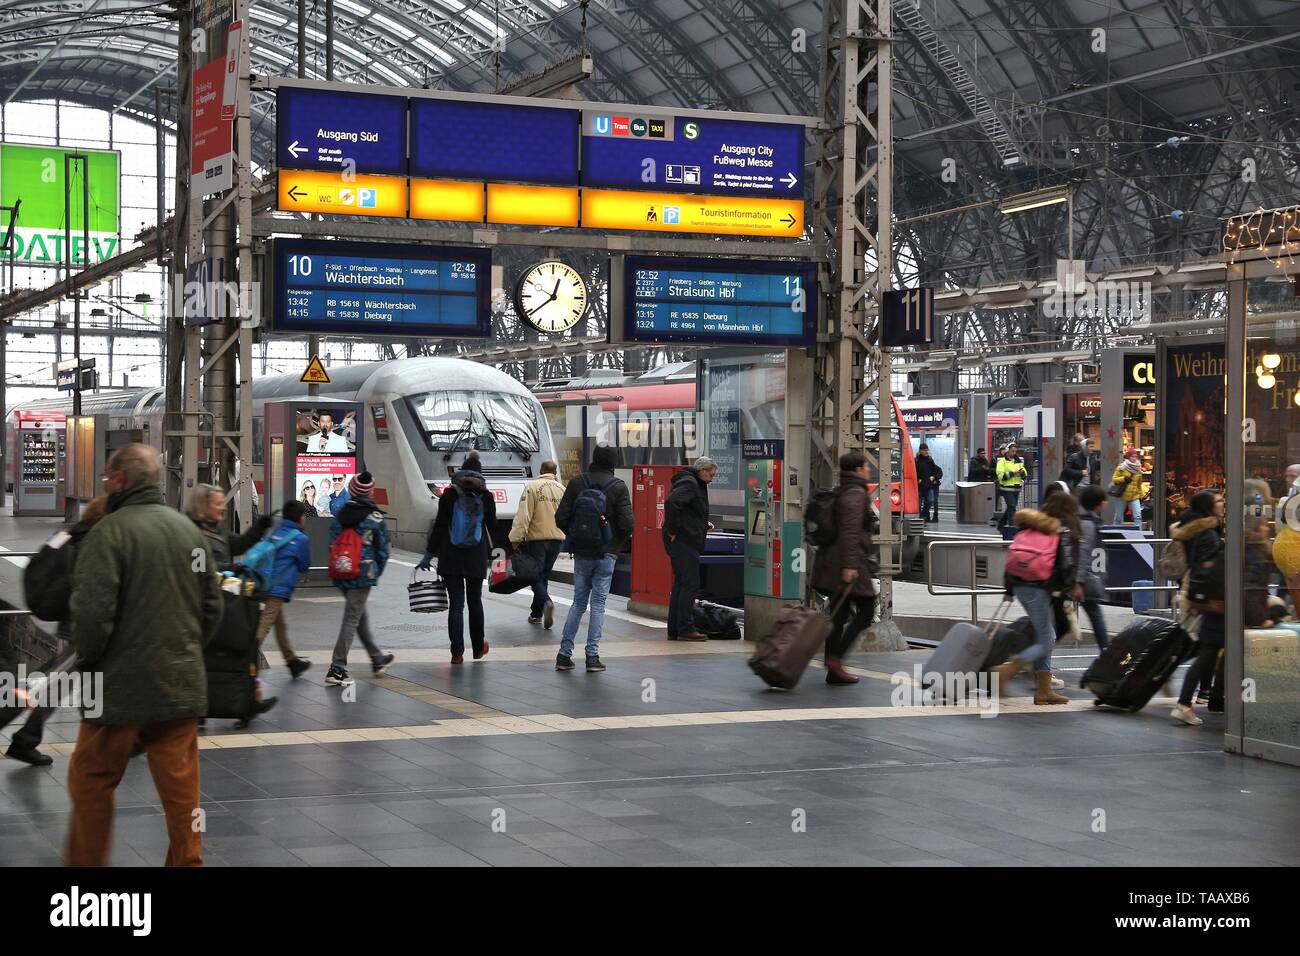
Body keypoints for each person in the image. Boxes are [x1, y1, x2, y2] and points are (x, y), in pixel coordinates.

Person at [64, 444, 223, 866]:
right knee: (182, 795)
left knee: (91, 780)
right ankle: (188, 862)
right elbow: (213, 607)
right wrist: (186, 649)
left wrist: (88, 661)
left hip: (118, 691)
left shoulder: (109, 533)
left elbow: (93, 615)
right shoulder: (190, 532)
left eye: (106, 478)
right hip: (179, 686)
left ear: (119, 479)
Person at [3, 498, 110, 768]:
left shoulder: (71, 534)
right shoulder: (94, 542)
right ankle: (25, 738)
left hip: (72, 617)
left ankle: (26, 739)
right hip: (82, 623)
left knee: (61, 681)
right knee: (55, 681)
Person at [989, 491, 1079, 704]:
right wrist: (1068, 589)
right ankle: (1008, 670)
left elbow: (1012, 557)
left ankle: (1043, 691)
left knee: (1045, 635)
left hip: (1021, 585)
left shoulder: (1028, 526)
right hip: (1038, 587)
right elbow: (1062, 567)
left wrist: (1009, 589)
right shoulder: (1055, 531)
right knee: (1048, 638)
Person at [554, 444, 634, 673]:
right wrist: (615, 542)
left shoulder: (578, 482)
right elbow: (628, 523)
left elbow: (561, 517)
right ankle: (592, 656)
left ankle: (564, 655)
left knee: (578, 602)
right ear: (613, 462)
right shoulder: (618, 486)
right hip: (606, 554)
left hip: (582, 553)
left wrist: (576, 535)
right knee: (598, 604)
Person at [419, 452, 497, 662]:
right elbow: (493, 527)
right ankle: (479, 648)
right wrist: (499, 552)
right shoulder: (486, 496)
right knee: (475, 602)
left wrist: (428, 555)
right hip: (475, 556)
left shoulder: (449, 495)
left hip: (451, 556)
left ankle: (457, 653)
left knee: (456, 605)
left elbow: (440, 526)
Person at [811, 451, 879, 685]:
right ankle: (835, 659)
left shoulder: (843, 489)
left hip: (832, 563)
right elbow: (850, 531)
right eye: (867, 467)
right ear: (859, 470)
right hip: (847, 564)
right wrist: (850, 566)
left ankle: (833, 666)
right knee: (867, 611)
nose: (869, 471)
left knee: (838, 615)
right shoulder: (856, 493)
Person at [324, 473, 395, 686]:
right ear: (370, 491)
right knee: (352, 618)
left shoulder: (342, 513)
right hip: (363, 574)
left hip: (342, 572)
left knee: (358, 615)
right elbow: (383, 549)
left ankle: (376, 658)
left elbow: (331, 541)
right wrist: (375, 571)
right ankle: (337, 667)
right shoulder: (375, 517)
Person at [1171, 491, 1226, 726]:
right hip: (1213, 600)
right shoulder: (1208, 533)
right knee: (1207, 653)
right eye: (1219, 501)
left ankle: (1207, 696)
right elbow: (1206, 568)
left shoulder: (1193, 527)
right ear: (1208, 506)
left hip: (1201, 596)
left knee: (1208, 651)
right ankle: (1203, 697)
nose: (1223, 504)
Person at [252, 499, 313, 680]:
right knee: (265, 625)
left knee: (281, 625)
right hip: (277, 588)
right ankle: (245, 659)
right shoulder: (300, 539)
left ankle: (292, 662)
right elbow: (304, 566)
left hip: (263, 583)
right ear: (300, 519)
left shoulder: (276, 531)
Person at [662, 456, 718, 642]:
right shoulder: (690, 483)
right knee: (690, 584)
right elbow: (672, 503)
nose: (711, 479)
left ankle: (675, 628)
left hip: (685, 539)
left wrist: (702, 524)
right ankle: (685, 628)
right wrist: (673, 531)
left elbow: (688, 510)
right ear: (702, 470)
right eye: (711, 474)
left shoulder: (693, 482)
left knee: (681, 584)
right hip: (684, 541)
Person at [509, 459, 565, 628]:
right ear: (555, 472)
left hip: (537, 540)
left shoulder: (532, 487)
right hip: (557, 540)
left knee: (533, 576)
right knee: (543, 576)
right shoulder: (562, 489)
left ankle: (547, 602)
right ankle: (536, 613)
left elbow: (523, 516)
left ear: (541, 470)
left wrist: (516, 538)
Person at [186, 483, 273, 570]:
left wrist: (259, 527)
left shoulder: (217, 529)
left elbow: (239, 544)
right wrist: (231, 568)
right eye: (218, 504)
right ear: (204, 506)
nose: (224, 508)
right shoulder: (193, 534)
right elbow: (200, 568)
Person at [1074, 485, 1110, 651]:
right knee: (1095, 613)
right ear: (1097, 503)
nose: (1106, 503)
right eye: (1104, 500)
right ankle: (1106, 652)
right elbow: (1083, 552)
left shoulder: (1083, 518)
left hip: (1079, 577)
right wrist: (1079, 582)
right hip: (1082, 579)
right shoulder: (1087, 523)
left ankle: (1106, 651)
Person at [994, 443, 1028, 531]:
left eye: (1015, 451)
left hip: (1017, 488)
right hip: (1006, 488)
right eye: (1012, 451)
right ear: (1007, 451)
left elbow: (1024, 472)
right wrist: (1013, 473)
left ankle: (1001, 525)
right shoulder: (1002, 462)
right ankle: (1012, 526)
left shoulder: (1018, 461)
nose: (1014, 453)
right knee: (1012, 506)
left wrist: (1022, 473)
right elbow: (1001, 476)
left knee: (1011, 507)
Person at [1109, 447, 1146, 526]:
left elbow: (1139, 483)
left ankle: (1138, 534)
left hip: (1134, 495)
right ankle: (1116, 534)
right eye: (1132, 456)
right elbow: (1114, 479)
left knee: (1138, 515)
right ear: (1128, 457)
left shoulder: (1138, 468)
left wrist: (1140, 495)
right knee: (1118, 517)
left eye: (1136, 456)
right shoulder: (1122, 467)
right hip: (1122, 495)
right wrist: (1124, 479)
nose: (1134, 458)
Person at [915, 443, 942, 523]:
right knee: (918, 504)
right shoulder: (916, 461)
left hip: (928, 486)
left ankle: (924, 514)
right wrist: (917, 479)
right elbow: (912, 472)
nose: (926, 452)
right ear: (920, 451)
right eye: (924, 450)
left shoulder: (930, 460)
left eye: (927, 450)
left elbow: (938, 470)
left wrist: (934, 477)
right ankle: (920, 518)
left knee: (930, 500)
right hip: (919, 486)